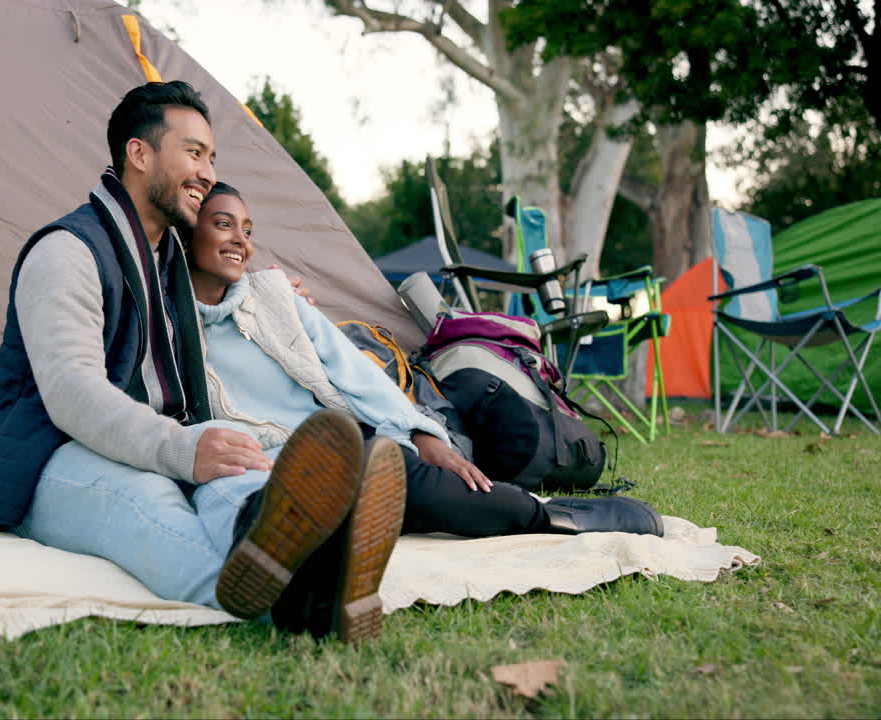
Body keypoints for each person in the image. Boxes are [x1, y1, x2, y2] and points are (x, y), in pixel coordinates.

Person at [0, 81, 405, 643]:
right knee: (151, 497)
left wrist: (275, 296)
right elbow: (72, 394)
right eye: (193, 152)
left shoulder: (167, 255)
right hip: (45, 454)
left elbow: (223, 300)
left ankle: (285, 538)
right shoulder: (66, 252)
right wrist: (180, 450)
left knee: (238, 462)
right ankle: (307, 601)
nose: (208, 173)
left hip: (151, 436)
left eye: (212, 158)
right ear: (139, 155)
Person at [181, 181, 665, 636]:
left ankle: (558, 517)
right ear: (186, 230)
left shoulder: (275, 295)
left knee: (460, 495)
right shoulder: (162, 320)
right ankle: (330, 563)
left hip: (340, 448)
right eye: (223, 224)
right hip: (264, 473)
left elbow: (353, 369)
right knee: (300, 516)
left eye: (247, 230)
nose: (240, 241)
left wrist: (421, 433)